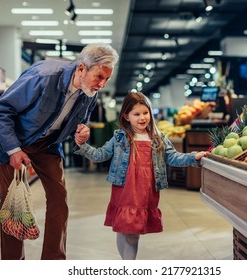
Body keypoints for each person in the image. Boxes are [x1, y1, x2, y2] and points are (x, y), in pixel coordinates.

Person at [0, 43, 119, 260]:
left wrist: (81, 132)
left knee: (59, 199)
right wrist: (13, 150)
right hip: (14, 141)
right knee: (13, 206)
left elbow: (80, 121)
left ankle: (53, 262)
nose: (102, 84)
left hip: (47, 145)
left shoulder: (89, 93)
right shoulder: (43, 76)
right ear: (81, 69)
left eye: (107, 79)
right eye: (99, 77)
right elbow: (0, 112)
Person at [73, 92, 208, 260]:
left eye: (146, 113)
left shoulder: (158, 138)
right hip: (124, 190)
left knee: (131, 232)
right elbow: (100, 155)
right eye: (136, 114)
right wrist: (82, 145)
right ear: (126, 116)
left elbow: (173, 157)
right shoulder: (120, 138)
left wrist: (193, 157)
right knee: (125, 230)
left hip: (145, 192)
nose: (142, 117)